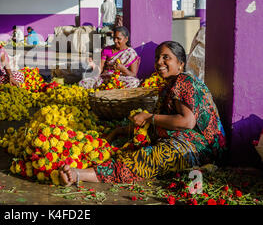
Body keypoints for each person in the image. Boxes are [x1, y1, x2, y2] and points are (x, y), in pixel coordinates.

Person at [60, 41, 226, 186]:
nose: (159, 62)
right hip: (184, 138)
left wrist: (148, 117)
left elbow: (187, 122)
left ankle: (79, 174)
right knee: (132, 142)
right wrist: (119, 131)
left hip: (201, 149)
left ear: (180, 63)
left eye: (166, 57)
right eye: (157, 58)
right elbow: (161, 122)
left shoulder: (185, 81)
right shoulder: (169, 85)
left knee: (147, 158)